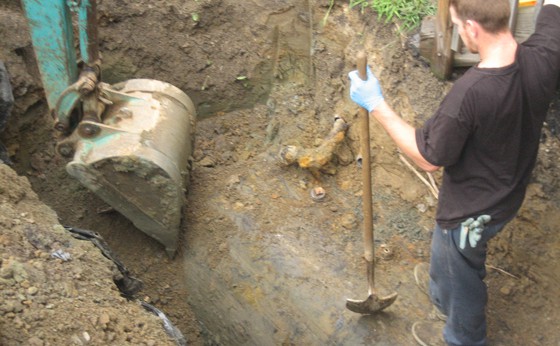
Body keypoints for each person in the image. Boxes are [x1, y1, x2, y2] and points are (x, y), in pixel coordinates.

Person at [348, 0, 560, 345]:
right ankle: (441, 296)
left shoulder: (470, 95)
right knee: (445, 255)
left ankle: (464, 337)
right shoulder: (544, 57)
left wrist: (377, 105)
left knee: (464, 274)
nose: (460, 30)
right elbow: (553, 15)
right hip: (508, 194)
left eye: (460, 25)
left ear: (472, 28)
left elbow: (429, 158)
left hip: (469, 214)